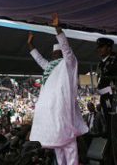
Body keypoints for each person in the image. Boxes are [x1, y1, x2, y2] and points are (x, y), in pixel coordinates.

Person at [27, 13, 88, 165]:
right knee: (63, 145)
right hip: (56, 112)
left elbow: (67, 51)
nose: (54, 55)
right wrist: (31, 45)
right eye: (54, 54)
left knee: (65, 146)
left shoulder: (67, 64)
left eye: (55, 53)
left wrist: (58, 31)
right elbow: (39, 59)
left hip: (59, 110)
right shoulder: (51, 67)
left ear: (59, 54)